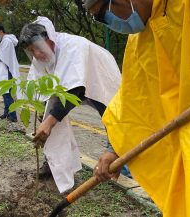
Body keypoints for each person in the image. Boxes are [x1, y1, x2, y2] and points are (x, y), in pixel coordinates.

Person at [84, 0, 190, 216]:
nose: (107, 23)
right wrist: (114, 149)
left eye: (103, 15)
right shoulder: (139, 40)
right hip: (187, 147)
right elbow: (134, 101)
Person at [19, 16, 122, 192]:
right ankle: (54, 164)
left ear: (49, 38)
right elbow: (40, 87)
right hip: (77, 88)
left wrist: (49, 121)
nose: (36, 54)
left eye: (37, 47)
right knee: (51, 120)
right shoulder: (41, 59)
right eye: (30, 50)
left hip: (101, 79)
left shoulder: (73, 46)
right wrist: (43, 112)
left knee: (113, 121)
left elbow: (74, 91)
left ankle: (123, 165)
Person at [0, 25, 20, 122]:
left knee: (7, 94)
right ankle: (7, 113)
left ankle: (13, 116)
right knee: (5, 93)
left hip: (6, 71)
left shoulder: (7, 41)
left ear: (1, 31)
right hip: (5, 70)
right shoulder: (5, 41)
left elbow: (3, 58)